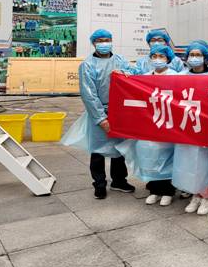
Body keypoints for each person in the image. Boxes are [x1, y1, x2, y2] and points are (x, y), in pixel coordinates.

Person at [61, 29, 135, 199]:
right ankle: (99, 184)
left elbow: (134, 77)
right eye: (100, 40)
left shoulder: (120, 61)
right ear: (94, 43)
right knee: (98, 150)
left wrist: (127, 75)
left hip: (119, 112)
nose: (104, 43)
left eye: (107, 40)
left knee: (119, 148)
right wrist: (101, 118)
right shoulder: (87, 65)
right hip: (99, 111)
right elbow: (89, 95)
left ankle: (119, 181)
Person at [118, 44, 178, 206]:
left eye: (161, 56)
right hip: (149, 122)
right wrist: (122, 76)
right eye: (154, 56)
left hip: (168, 122)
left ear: (168, 59)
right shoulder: (144, 77)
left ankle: (168, 191)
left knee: (167, 157)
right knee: (150, 155)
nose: (157, 60)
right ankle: (154, 189)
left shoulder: (176, 77)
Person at [172, 41, 208, 215]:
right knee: (188, 162)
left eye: (198, 55)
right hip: (186, 125)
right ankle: (195, 195)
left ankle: (207, 197)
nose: (194, 58)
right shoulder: (180, 76)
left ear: (205, 58)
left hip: (206, 126)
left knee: (204, 163)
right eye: (192, 55)